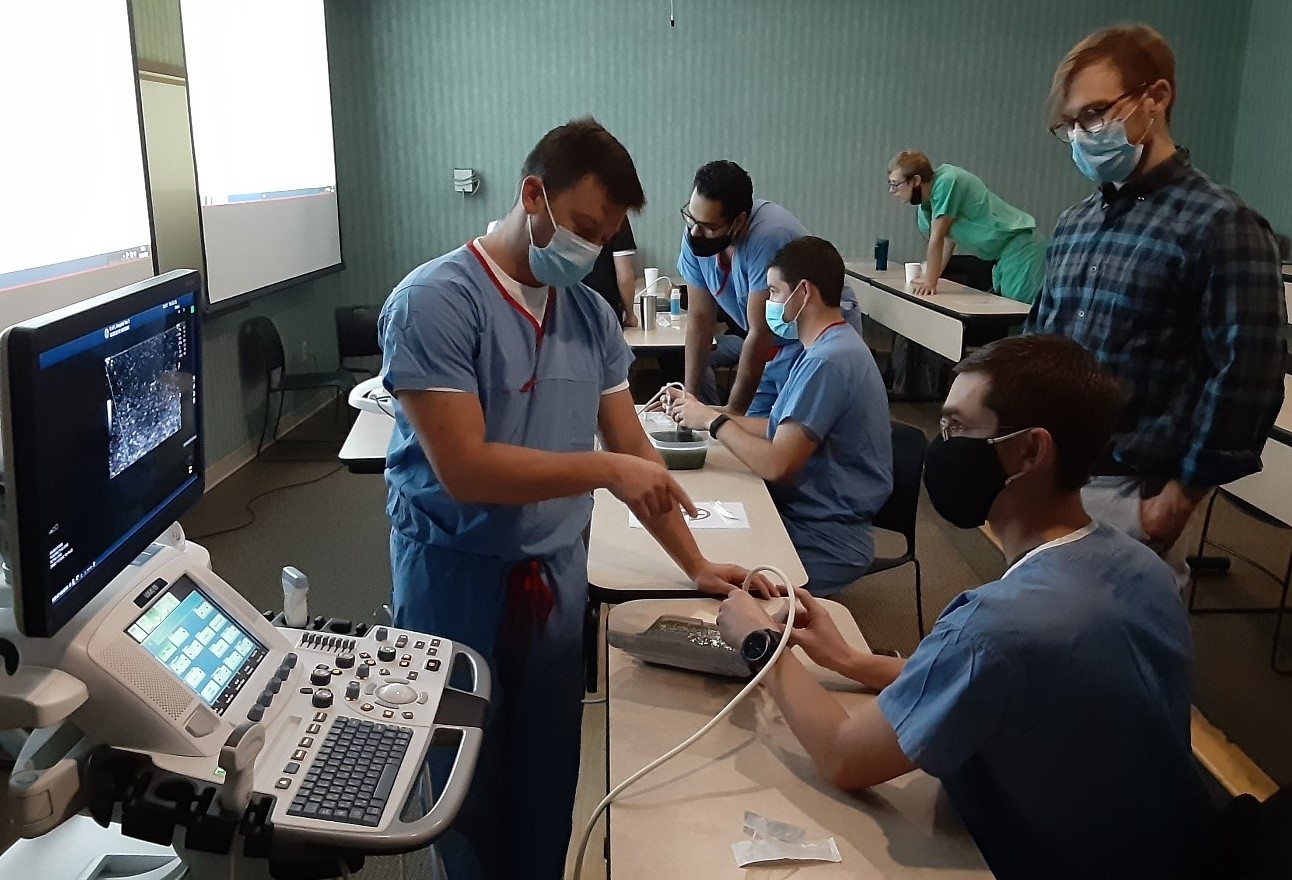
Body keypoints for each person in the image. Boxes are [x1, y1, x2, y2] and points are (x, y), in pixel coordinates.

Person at [377, 117, 772, 880]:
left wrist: (696, 566)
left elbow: (633, 454)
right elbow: (465, 469)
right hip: (456, 577)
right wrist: (600, 473)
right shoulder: (435, 303)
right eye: (584, 228)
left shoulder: (587, 318)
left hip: (554, 580)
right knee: (463, 784)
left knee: (545, 777)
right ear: (534, 196)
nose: (591, 250)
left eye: (607, 236)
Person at [715, 334, 1217, 880]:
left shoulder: (995, 625)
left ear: (1030, 451)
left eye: (957, 427)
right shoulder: (1142, 568)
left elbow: (844, 758)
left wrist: (761, 643)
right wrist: (849, 660)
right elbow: (1010, 682)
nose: (942, 443)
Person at [1028, 24, 1286, 588]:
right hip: (1050, 473)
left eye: (1095, 113)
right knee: (1041, 646)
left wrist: (1178, 498)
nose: (1082, 135)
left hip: (1133, 487)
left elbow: (1248, 376)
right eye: (1069, 124)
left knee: (1115, 659)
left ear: (1156, 98)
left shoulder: (1221, 225)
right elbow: (1039, 345)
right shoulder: (1075, 224)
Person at [665, 236, 892, 596]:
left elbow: (776, 463)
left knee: (705, 575)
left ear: (803, 293)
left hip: (826, 538)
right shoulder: (831, 346)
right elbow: (779, 429)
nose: (768, 302)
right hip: (815, 519)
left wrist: (714, 422)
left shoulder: (826, 362)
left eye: (773, 291)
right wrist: (708, 412)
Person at [676, 160, 862, 416]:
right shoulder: (695, 235)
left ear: (739, 221)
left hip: (815, 335)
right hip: (775, 342)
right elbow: (699, 318)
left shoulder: (768, 236)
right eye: (691, 218)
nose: (695, 232)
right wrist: (690, 399)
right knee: (753, 430)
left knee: (796, 431)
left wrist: (731, 413)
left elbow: (761, 331)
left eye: (709, 227)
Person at [886, 150, 1046, 304]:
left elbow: (937, 237)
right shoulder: (927, 205)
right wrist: (929, 276)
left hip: (1021, 247)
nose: (892, 191)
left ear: (916, 180)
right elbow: (947, 242)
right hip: (1003, 256)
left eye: (896, 184)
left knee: (1019, 319)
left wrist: (930, 281)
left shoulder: (947, 182)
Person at [582, 216, 640, 326]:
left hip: (563, 309)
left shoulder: (566, 211)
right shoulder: (615, 215)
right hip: (605, 311)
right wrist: (630, 315)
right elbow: (624, 277)